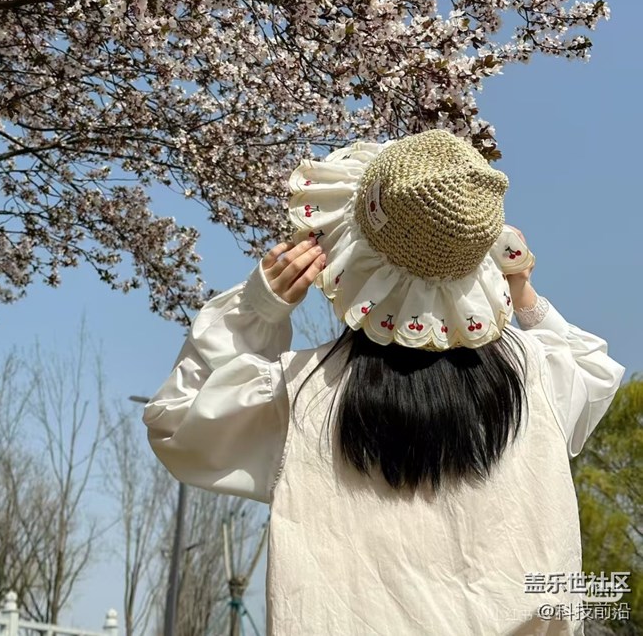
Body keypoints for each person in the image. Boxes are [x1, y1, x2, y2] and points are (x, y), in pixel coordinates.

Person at [144, 129, 626, 636]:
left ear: (345, 246)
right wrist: (521, 291)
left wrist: (258, 310)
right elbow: (592, 369)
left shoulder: (304, 394)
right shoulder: (537, 377)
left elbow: (178, 421)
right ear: (481, 263)